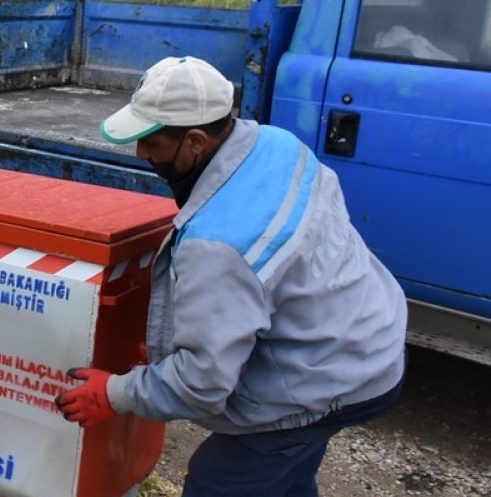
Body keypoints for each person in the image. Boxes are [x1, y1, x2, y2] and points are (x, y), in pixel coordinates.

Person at [59, 56, 408, 496]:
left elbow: (201, 383)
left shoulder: (218, 244)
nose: (141, 154)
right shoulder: (277, 145)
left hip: (334, 375)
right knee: (287, 471)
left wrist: (113, 393)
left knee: (222, 481)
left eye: (152, 143)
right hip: (368, 337)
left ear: (196, 141)